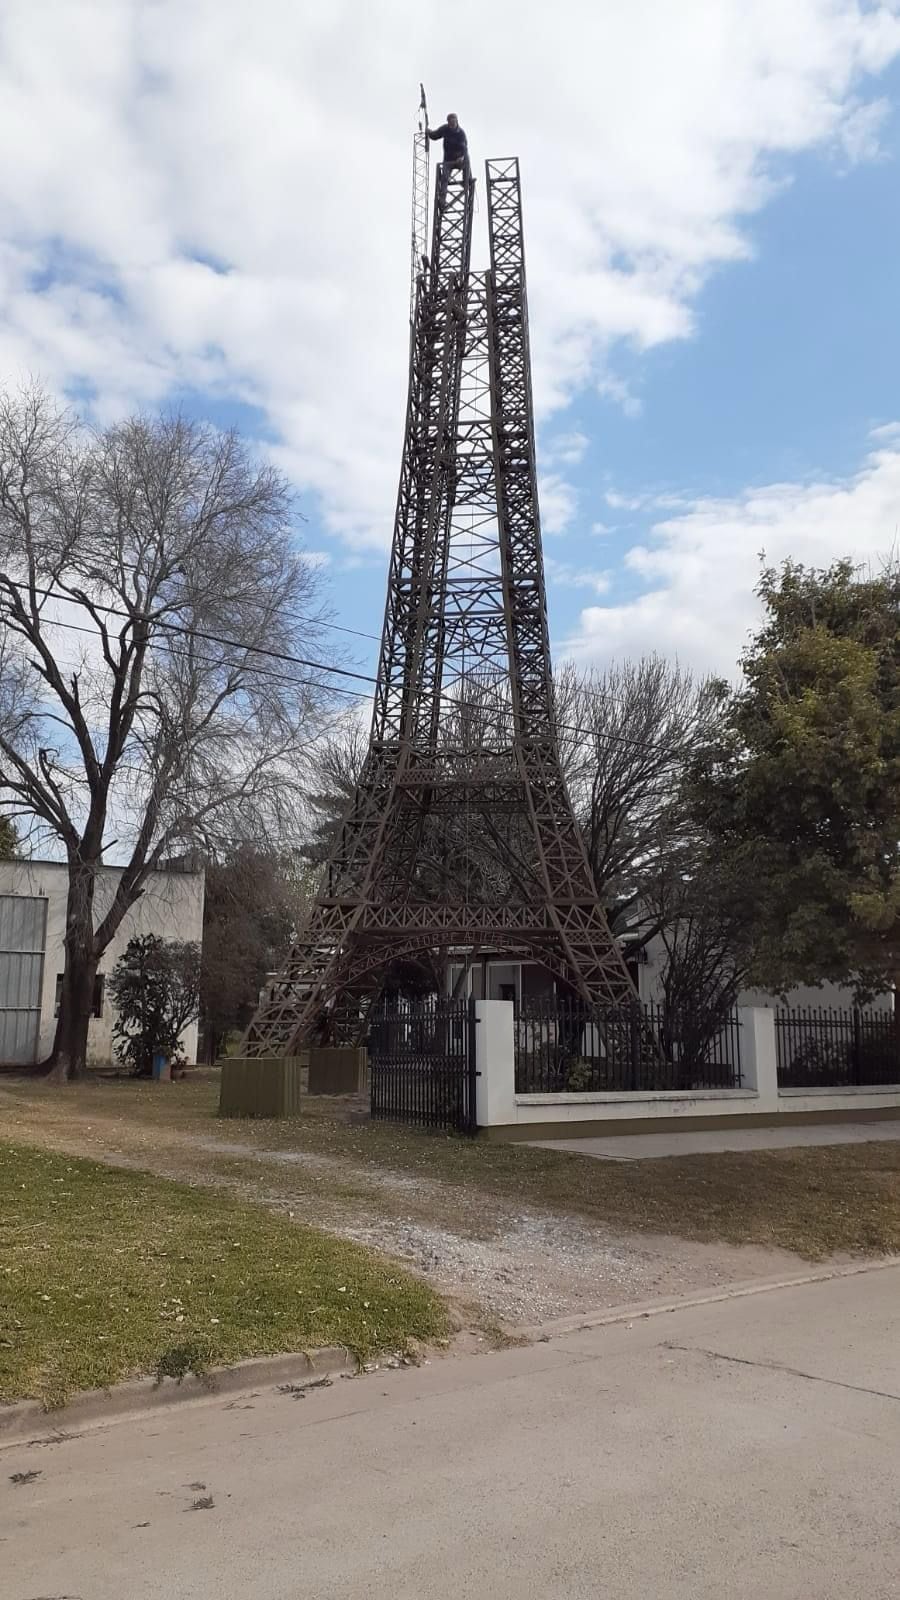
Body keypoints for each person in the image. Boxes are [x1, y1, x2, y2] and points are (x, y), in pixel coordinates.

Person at [427, 114, 468, 200]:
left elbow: (464, 148)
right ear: (448, 123)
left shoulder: (461, 133)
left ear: (456, 122)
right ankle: (442, 200)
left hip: (459, 159)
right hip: (448, 160)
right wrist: (429, 132)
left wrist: (462, 157)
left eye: (454, 122)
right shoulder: (445, 129)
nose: (452, 125)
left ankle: (467, 181)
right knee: (444, 178)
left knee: (467, 161)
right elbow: (435, 135)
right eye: (450, 123)